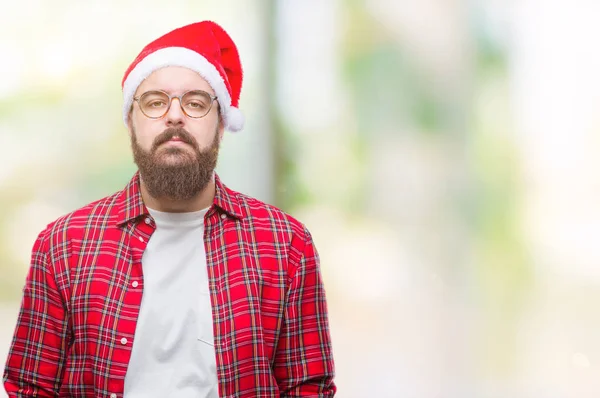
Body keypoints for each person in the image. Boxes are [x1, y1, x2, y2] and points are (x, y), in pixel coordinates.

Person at [3, 21, 336, 397]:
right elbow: (29, 388)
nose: (174, 116)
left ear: (222, 124)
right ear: (131, 121)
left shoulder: (286, 244)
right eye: (155, 102)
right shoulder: (63, 246)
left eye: (195, 103)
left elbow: (308, 388)